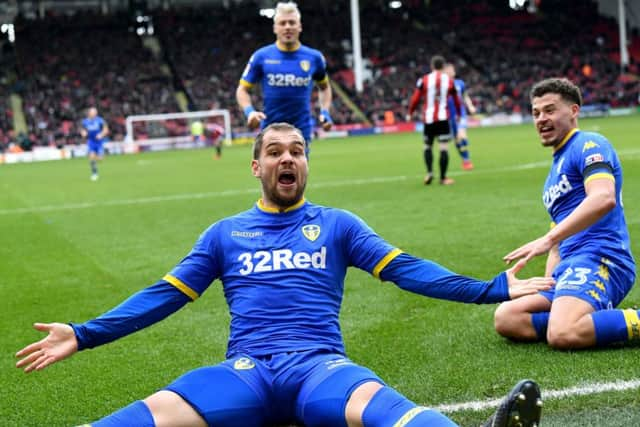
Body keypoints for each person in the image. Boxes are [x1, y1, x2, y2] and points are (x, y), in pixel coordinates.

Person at [16, 123, 550, 427]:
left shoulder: (338, 225)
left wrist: (492, 290)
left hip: (320, 368)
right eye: (274, 152)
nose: (286, 158)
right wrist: (83, 334)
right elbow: (163, 297)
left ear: (307, 163)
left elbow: (408, 270)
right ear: (257, 167)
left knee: (389, 413)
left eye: (297, 151)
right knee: (143, 418)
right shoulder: (225, 234)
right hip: (245, 373)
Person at [494, 78, 637, 350]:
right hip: (570, 266)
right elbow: (558, 241)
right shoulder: (553, 173)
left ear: (573, 111)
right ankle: (580, 315)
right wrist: (551, 281)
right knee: (507, 317)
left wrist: (547, 239)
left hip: (602, 257)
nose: (541, 119)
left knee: (562, 334)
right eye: (536, 113)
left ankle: (574, 320)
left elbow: (603, 198)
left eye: (549, 110)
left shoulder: (589, 144)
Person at [235, 2, 333, 156]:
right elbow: (242, 90)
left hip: (301, 132)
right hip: (270, 131)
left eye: (292, 22)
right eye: (282, 23)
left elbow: (325, 87)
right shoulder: (261, 56)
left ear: (299, 26)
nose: (287, 27)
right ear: (275, 28)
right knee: (271, 179)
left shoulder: (314, 58)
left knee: (297, 179)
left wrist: (325, 112)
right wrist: (250, 112)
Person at [407, 55, 461, 186]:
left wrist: (410, 112)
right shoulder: (449, 81)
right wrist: (459, 113)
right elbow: (456, 99)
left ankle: (429, 172)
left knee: (427, 146)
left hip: (429, 119)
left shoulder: (424, 80)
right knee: (443, 148)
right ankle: (443, 178)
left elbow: (415, 98)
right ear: (443, 67)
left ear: (431, 66)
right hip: (443, 118)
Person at [444, 63, 476, 171]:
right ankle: (465, 160)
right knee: (457, 140)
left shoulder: (460, 83)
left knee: (462, 136)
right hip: (449, 116)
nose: (450, 72)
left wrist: (470, 106)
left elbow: (465, 96)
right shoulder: (442, 85)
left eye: (451, 70)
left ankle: (467, 160)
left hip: (460, 113)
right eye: (448, 70)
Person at [80, 107, 109, 181]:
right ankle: (94, 173)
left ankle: (98, 156)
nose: (95, 114)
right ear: (89, 113)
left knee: (100, 159)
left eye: (95, 112)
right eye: (93, 112)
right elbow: (82, 129)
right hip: (91, 142)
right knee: (91, 157)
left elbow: (106, 129)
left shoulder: (100, 120)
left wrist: (101, 134)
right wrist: (83, 133)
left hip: (99, 142)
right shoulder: (85, 121)